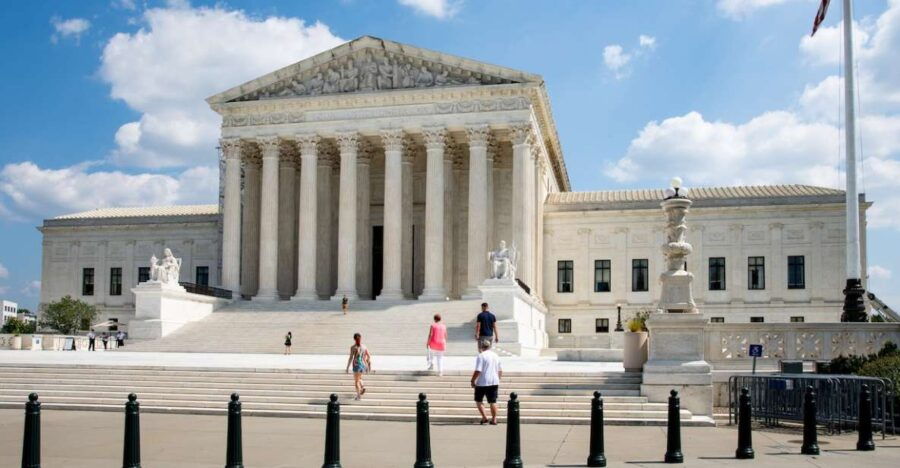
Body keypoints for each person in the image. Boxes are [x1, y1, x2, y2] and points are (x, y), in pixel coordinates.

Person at [472, 338, 502, 425]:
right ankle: (494, 419)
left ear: (481, 346)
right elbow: (500, 370)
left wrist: (473, 380)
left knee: (479, 400)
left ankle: (484, 417)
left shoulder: (481, 356)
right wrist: (498, 378)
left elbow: (478, 370)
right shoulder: (496, 356)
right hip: (494, 381)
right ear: (490, 346)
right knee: (493, 401)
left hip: (482, 382)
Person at [345, 333, 372, 400]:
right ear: (360, 338)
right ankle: (362, 386)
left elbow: (351, 357)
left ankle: (358, 396)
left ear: (354, 339)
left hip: (356, 365)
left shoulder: (353, 347)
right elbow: (369, 356)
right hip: (363, 365)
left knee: (356, 381)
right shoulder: (364, 346)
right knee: (359, 378)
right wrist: (367, 364)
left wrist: (347, 367)